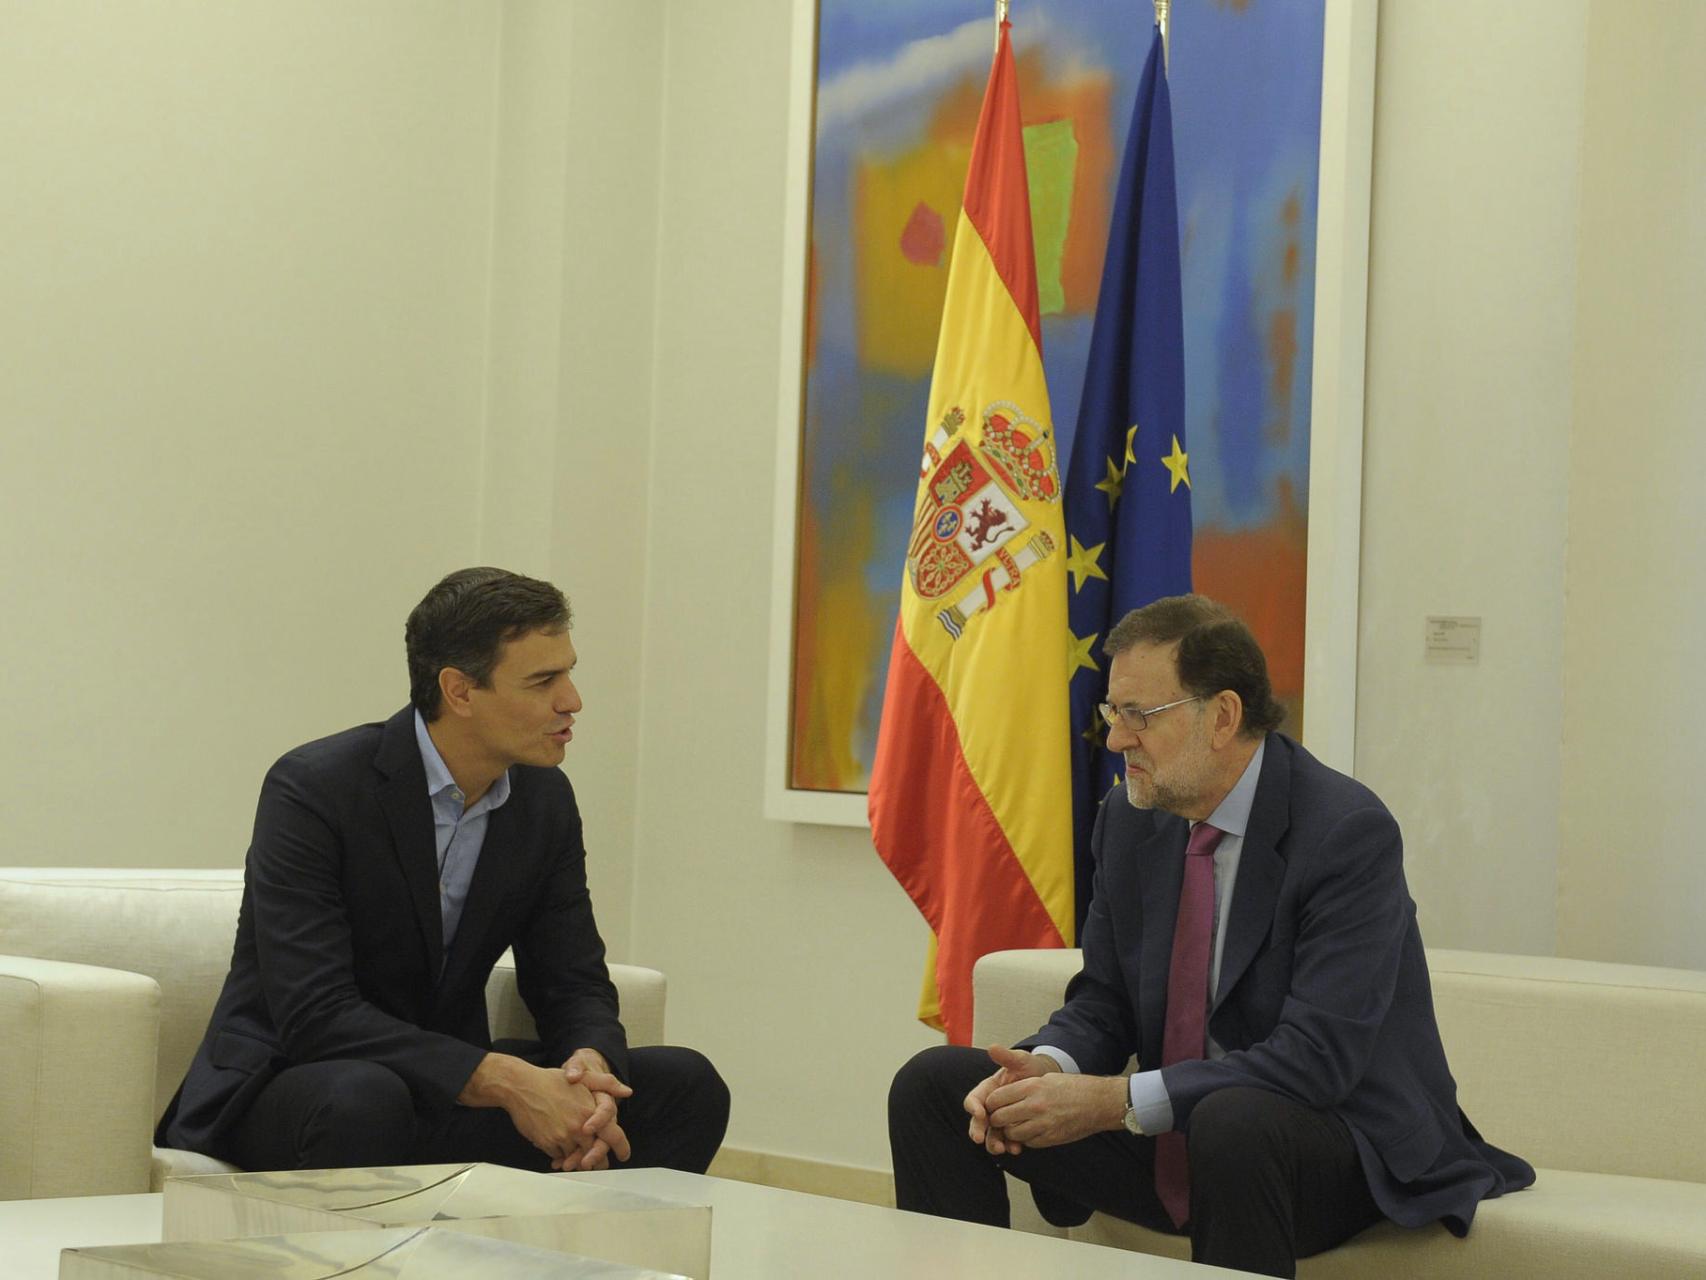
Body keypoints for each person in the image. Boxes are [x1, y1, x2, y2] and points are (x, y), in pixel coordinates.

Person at [888, 594, 1532, 1278]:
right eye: (1114, 712)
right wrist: (1048, 1070)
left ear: (1222, 717)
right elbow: (1106, 999)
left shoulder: (1345, 833)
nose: (1115, 739)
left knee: (1234, 1123)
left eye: (1140, 716)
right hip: (1181, 1135)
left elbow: (1316, 1059)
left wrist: (1113, 1102)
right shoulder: (1133, 820)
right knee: (937, 1087)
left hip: (1335, 1143)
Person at [157, 567, 728, 1175]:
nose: (572, 700)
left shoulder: (544, 800)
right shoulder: (316, 788)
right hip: (301, 1083)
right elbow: (316, 1014)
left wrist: (589, 1072)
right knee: (365, 1096)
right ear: (458, 691)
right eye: (543, 681)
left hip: (446, 1087)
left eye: (569, 672)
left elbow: (572, 980)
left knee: (686, 1084)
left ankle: (573, 1260)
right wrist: (505, 1080)